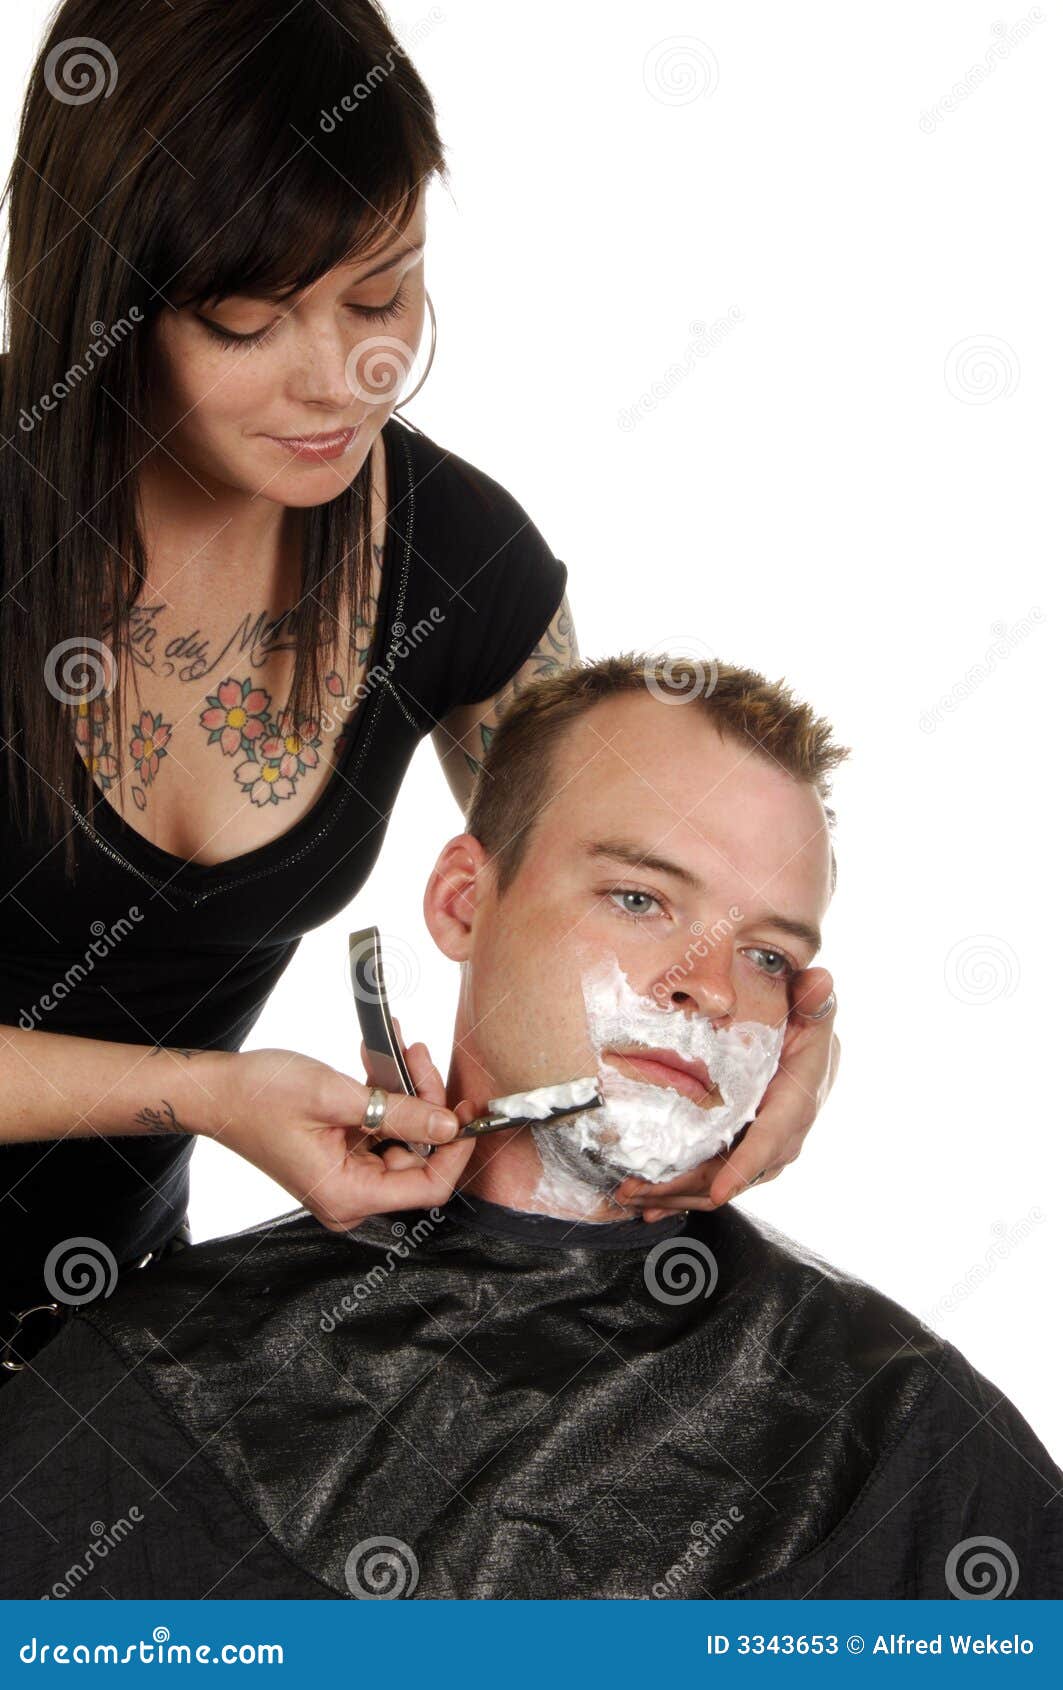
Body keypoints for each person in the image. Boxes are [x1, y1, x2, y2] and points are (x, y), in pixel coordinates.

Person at [0, 0, 840, 1379]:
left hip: (92, 1331)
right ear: (110, 304)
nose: (344, 380)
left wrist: (784, 1028)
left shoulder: (461, 566)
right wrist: (203, 1093)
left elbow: (613, 860)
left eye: (381, 296)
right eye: (247, 321)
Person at [1, 655, 1057, 1601]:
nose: (709, 990)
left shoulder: (897, 1419)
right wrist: (209, 1090)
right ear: (462, 901)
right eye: (642, 899)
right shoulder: (151, 1384)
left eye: (769, 955)